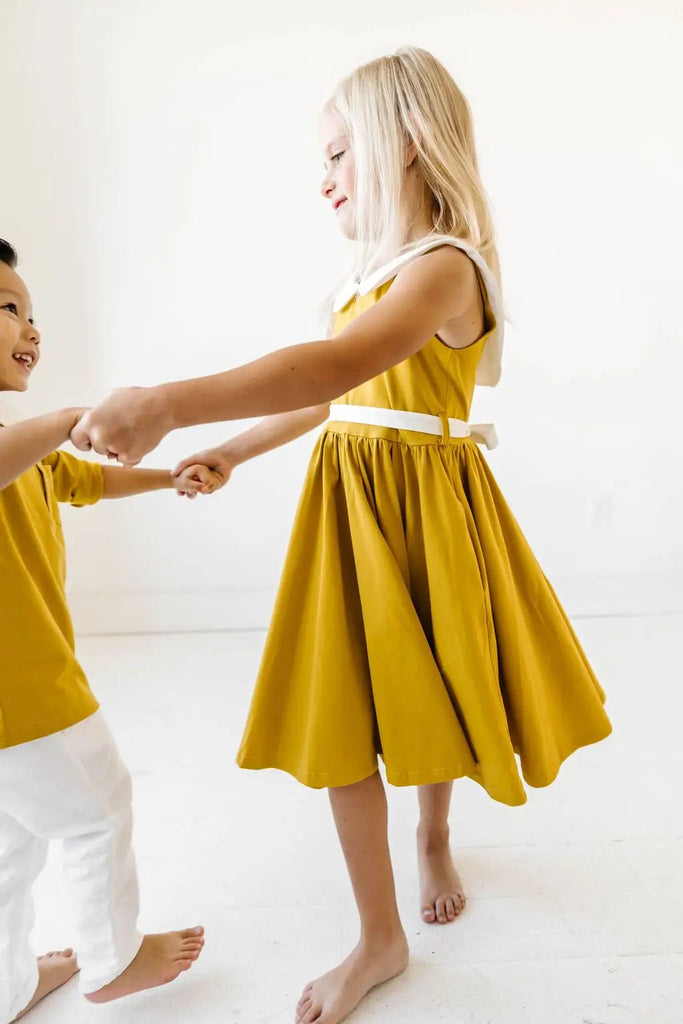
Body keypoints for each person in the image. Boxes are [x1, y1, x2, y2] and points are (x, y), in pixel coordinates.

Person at [72, 47, 612, 1024]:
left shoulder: (446, 270)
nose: (320, 179)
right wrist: (232, 451)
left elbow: (332, 366)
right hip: (348, 507)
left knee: (429, 681)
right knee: (347, 709)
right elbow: (329, 396)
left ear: (403, 141)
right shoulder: (359, 282)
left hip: (424, 510)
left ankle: (435, 831)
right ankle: (378, 933)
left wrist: (168, 404)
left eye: (335, 155)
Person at [0, 239, 211, 1023]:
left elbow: (86, 476)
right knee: (97, 810)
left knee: (11, 846)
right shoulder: (21, 441)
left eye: (31, 311)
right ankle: (112, 958)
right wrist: (62, 420)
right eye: (7, 308)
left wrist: (169, 474)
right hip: (26, 697)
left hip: (14, 705)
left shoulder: (28, 448)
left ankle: (5, 984)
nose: (30, 326)